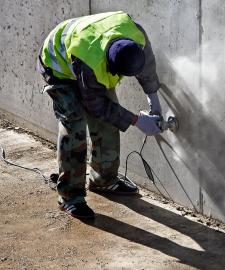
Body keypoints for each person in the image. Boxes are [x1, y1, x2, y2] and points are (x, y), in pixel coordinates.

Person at [37, 11, 164, 219]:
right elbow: (96, 105)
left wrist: (153, 99)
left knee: (109, 121)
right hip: (57, 65)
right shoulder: (90, 60)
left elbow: (147, 65)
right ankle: (70, 197)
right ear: (110, 67)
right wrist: (137, 121)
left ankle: (103, 180)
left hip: (87, 54)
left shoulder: (136, 35)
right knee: (74, 126)